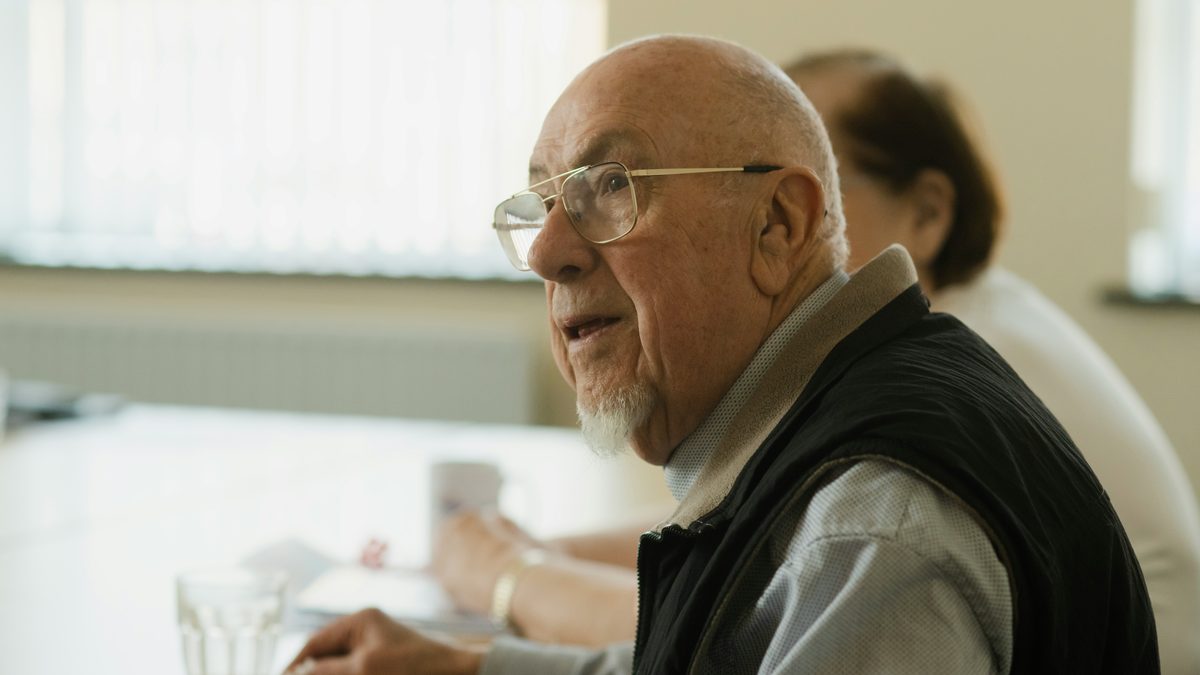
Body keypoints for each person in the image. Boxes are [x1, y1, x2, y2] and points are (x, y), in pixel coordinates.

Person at [288, 35, 1157, 674]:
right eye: (542, 205)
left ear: (777, 225)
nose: (549, 252)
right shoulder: (827, 416)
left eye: (611, 187)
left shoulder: (873, 524)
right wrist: (465, 667)